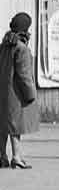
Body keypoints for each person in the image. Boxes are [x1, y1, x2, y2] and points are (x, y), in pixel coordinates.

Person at [0, 12, 38, 169]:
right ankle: (16, 157)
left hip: (3, 91)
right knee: (15, 127)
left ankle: (1, 156)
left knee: (3, 125)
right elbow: (24, 75)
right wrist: (30, 94)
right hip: (16, 93)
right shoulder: (21, 48)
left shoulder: (4, 45)